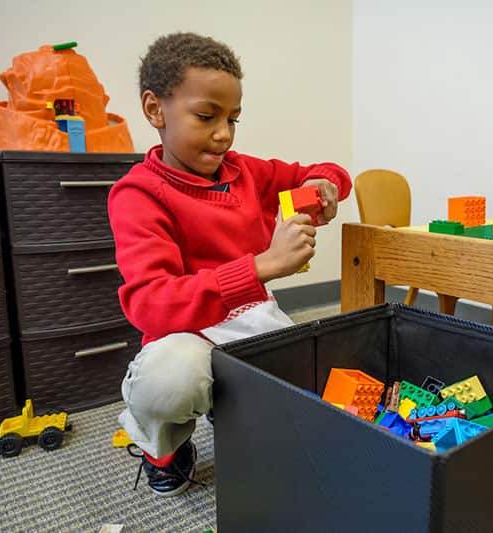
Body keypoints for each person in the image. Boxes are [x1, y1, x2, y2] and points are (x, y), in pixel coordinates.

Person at [108, 32, 351, 497]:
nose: (223, 133)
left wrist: (326, 182)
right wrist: (261, 266)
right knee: (172, 381)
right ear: (155, 109)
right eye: (206, 116)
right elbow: (150, 304)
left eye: (232, 120)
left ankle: (231, 403)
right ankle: (163, 447)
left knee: (315, 389)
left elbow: (319, 171)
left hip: (249, 322)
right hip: (182, 334)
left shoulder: (246, 172)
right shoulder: (138, 194)